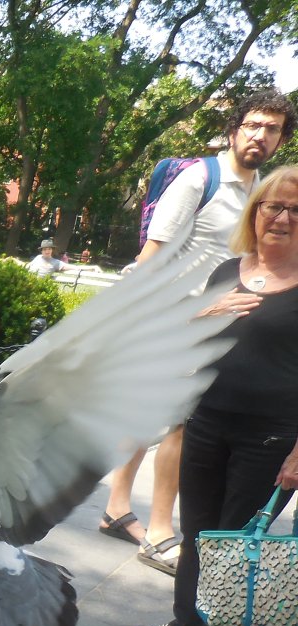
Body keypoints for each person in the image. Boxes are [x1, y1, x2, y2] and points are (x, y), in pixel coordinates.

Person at [100, 89, 295, 576]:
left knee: (158, 419)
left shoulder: (264, 193)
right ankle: (162, 530)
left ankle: (116, 505)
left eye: (271, 129)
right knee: (183, 424)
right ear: (234, 129)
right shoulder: (199, 179)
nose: (260, 135)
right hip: (181, 320)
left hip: (229, 331)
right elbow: (153, 254)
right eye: (252, 125)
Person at [127, 166, 298, 626]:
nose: (283, 217)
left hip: (271, 435)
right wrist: (204, 314)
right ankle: (186, 624)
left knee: (234, 540)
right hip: (207, 419)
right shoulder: (229, 269)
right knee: (198, 531)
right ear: (255, 211)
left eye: (296, 209)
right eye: (273, 206)